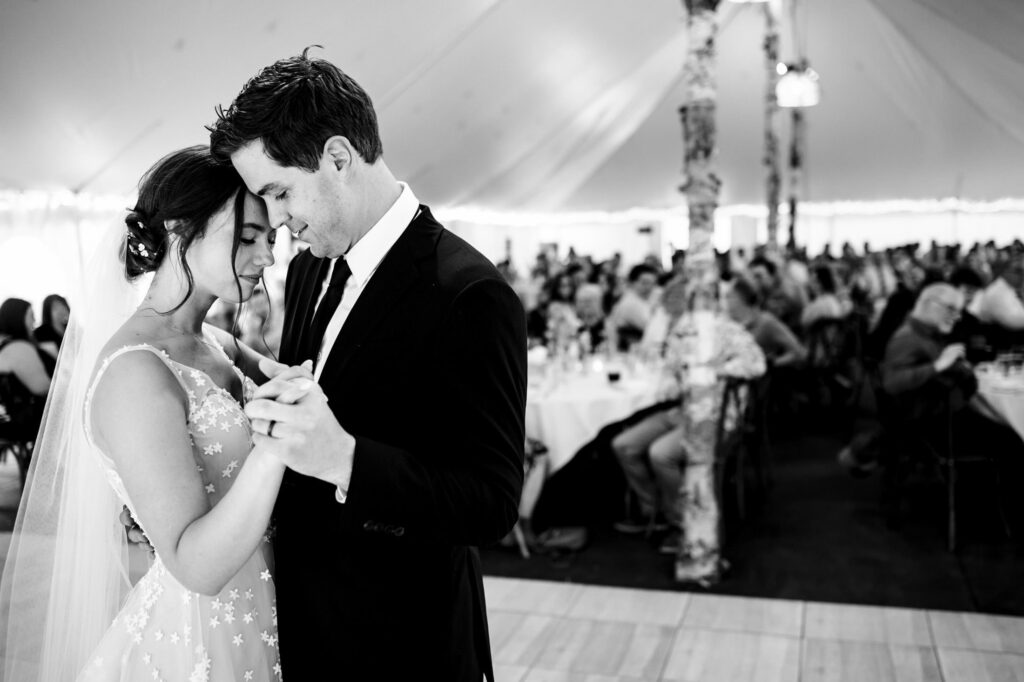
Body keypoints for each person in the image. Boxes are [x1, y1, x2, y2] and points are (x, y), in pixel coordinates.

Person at [209, 49, 527, 681]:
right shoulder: (306, 269)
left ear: (337, 158)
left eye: (279, 192)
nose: (276, 221)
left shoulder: (468, 292)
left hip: (407, 643)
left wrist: (346, 460)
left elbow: (490, 503)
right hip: (304, 625)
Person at [0, 146, 290, 681]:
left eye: (271, 240)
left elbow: (304, 391)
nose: (266, 258)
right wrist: (277, 442)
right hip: (202, 636)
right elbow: (195, 564)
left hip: (268, 613)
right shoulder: (134, 371)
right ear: (182, 228)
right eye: (247, 237)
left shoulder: (220, 344)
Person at [0, 298, 51, 442]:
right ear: (17, 318)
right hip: (33, 421)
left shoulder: (7, 345)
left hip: (17, 419)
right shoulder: (18, 347)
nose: (35, 320)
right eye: (31, 315)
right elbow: (42, 388)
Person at [607, 264, 659, 350]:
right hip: (627, 352)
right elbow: (654, 330)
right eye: (644, 283)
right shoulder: (630, 303)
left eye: (652, 283)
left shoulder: (641, 300)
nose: (649, 288)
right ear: (631, 283)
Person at [34, 293, 70, 361]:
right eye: (55, 308)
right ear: (47, 312)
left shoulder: (72, 330)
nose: (61, 310)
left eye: (63, 305)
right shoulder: (40, 333)